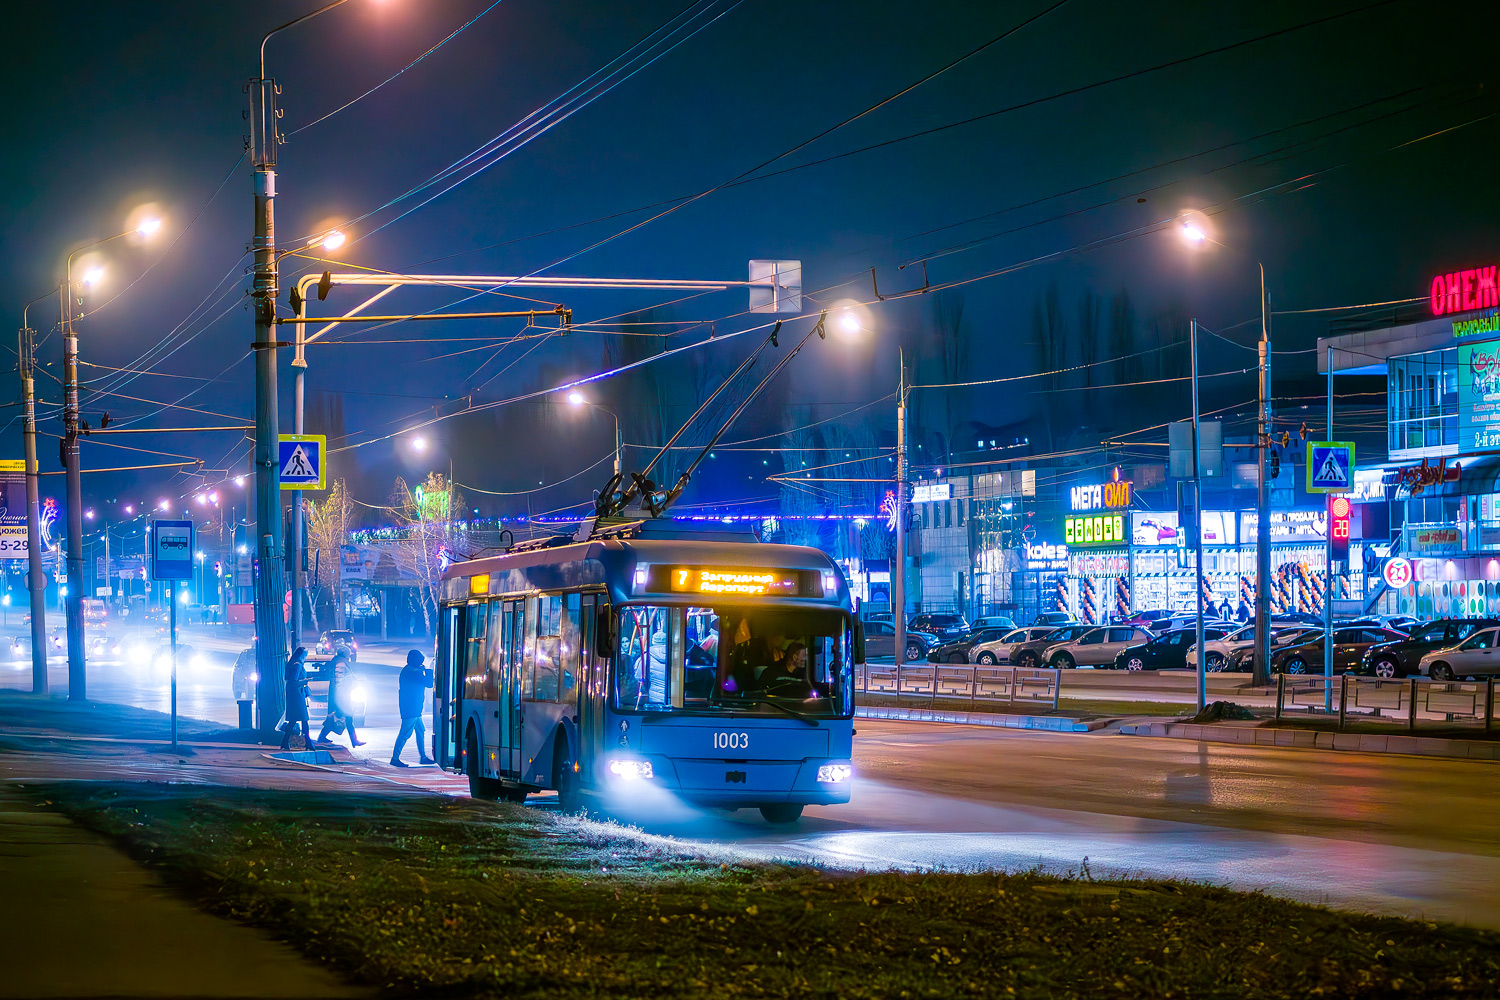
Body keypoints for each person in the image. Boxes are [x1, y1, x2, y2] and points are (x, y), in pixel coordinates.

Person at [392, 649, 435, 767]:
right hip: (411, 709)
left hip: (413, 708)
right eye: (420, 662)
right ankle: (395, 758)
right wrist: (429, 671)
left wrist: (422, 670)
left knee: (420, 731)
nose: (421, 664)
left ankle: (423, 757)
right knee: (405, 733)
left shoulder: (407, 670)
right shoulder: (412, 673)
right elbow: (429, 683)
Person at [315, 652, 365, 748]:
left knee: (339, 718)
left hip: (341, 697)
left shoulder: (337, 663)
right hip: (342, 698)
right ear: (345, 655)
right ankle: (353, 740)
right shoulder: (341, 665)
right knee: (344, 718)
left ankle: (353, 740)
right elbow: (341, 682)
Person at [279, 646, 311, 750]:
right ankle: (308, 742)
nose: (305, 656)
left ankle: (285, 742)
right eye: (305, 654)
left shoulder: (294, 664)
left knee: (295, 720)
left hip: (296, 695)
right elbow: (294, 682)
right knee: (303, 719)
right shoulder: (297, 665)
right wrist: (306, 681)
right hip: (297, 696)